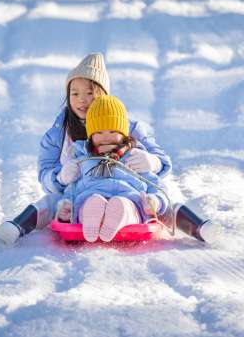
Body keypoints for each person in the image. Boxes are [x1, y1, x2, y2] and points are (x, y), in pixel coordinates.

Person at [0, 52, 216, 244]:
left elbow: (161, 160)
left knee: (160, 204)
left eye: (90, 92)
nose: (82, 100)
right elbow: (44, 173)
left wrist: (153, 161)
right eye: (75, 93)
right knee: (50, 203)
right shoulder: (58, 134)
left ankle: (201, 229)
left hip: (128, 187)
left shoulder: (127, 126)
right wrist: (60, 177)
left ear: (103, 93)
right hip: (76, 194)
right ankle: (17, 227)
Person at [55, 95, 170, 242]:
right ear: (90, 135)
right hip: (91, 196)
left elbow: (156, 185)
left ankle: (121, 213)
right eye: (99, 132)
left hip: (129, 199)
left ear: (123, 134)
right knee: (89, 202)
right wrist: (66, 206)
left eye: (112, 131)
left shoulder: (135, 157)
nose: (105, 137)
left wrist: (155, 201)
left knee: (126, 205)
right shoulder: (84, 159)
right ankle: (91, 216)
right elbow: (73, 187)